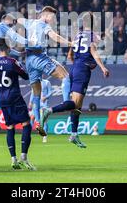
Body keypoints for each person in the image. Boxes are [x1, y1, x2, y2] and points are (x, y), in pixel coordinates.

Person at [40, 12, 110, 148]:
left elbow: (70, 55)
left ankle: (74, 135)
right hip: (82, 71)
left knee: (77, 107)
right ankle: (49, 110)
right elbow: (94, 51)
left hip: (74, 69)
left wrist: (77, 62)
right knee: (74, 103)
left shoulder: (77, 35)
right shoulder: (92, 36)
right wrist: (102, 67)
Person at [17, 6, 72, 137]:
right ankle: (65, 103)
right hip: (40, 57)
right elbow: (55, 37)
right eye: (52, 17)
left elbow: (18, 20)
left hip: (29, 60)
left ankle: (38, 122)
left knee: (36, 93)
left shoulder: (30, 22)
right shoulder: (44, 25)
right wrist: (70, 43)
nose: (53, 20)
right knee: (65, 76)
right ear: (46, 15)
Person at [0, 38, 36, 170]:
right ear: (8, 47)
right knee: (26, 124)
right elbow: (25, 76)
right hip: (15, 97)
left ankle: (13, 159)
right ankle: (24, 157)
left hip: (2, 99)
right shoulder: (12, 62)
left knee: (10, 127)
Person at [29, 77, 52, 143]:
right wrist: (30, 102)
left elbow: (50, 92)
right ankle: (28, 134)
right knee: (32, 118)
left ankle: (44, 137)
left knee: (44, 121)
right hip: (36, 103)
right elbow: (32, 93)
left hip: (44, 104)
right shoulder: (34, 82)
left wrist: (45, 97)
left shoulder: (47, 82)